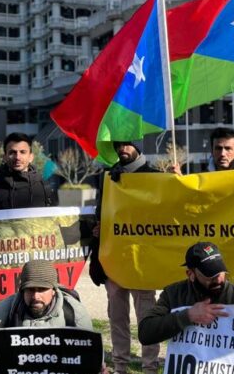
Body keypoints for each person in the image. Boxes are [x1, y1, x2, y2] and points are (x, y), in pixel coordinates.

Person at [138, 242, 234, 374]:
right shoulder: (174, 295)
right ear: (191, 274)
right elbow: (145, 333)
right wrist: (188, 316)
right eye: (210, 275)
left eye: (220, 272)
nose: (218, 280)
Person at [91, 141, 161, 374]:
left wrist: (176, 181)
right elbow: (101, 214)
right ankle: (121, 366)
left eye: (128, 143)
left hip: (143, 262)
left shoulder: (155, 176)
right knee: (117, 317)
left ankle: (150, 367)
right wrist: (98, 230)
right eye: (118, 144)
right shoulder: (108, 177)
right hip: (115, 260)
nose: (122, 148)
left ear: (139, 145)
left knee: (147, 318)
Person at [0, 259, 92, 329]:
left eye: (42, 289)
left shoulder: (74, 313)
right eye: (30, 290)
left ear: (53, 290)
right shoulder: (5, 311)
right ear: (22, 290)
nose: (35, 296)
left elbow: (90, 353)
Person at [0, 132, 57, 210]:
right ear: (4, 157)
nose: (17, 157)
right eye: (12, 152)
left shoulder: (45, 189)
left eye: (23, 152)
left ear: (31, 157)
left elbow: (56, 220)